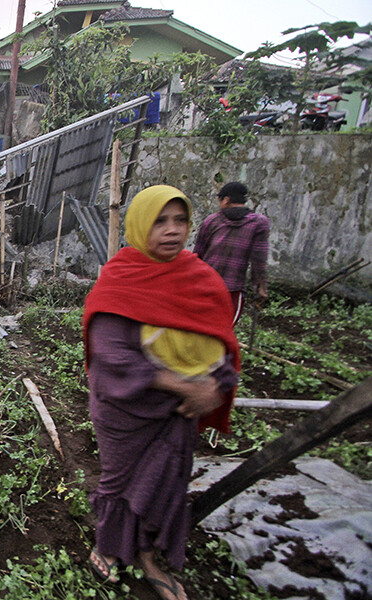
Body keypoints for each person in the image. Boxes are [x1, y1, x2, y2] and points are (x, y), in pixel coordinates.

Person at [82, 185, 240, 600]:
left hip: (179, 413)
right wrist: (185, 385)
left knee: (167, 482)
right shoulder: (122, 278)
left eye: (180, 220)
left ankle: (148, 556)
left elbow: (219, 339)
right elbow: (113, 355)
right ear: (139, 225)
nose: (171, 231)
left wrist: (217, 386)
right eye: (159, 221)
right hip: (126, 409)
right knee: (119, 482)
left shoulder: (200, 279)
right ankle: (108, 545)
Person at [193, 182, 270, 323]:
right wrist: (260, 287)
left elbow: (198, 255)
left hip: (206, 286)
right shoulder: (259, 223)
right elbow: (259, 260)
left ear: (226, 200)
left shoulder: (212, 221)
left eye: (220, 200)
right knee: (225, 329)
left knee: (199, 324)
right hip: (233, 289)